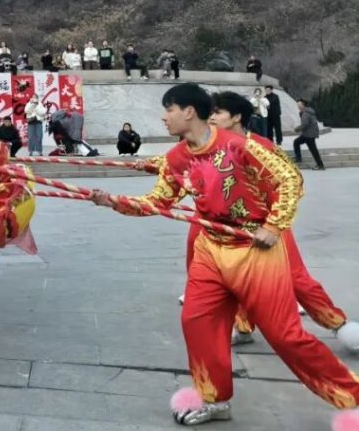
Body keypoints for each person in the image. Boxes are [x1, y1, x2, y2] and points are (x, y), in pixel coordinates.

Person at [89, 83, 359, 425]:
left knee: (285, 336)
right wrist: (113, 202)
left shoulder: (240, 146)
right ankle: (214, 399)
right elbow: (159, 201)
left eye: (169, 109)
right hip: (211, 248)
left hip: (255, 252)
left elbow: (290, 180)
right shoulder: (177, 158)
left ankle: (352, 395)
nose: (164, 117)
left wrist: (274, 225)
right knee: (197, 321)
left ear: (189, 112)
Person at [209, 91, 359, 353]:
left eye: (217, 112)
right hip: (233, 228)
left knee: (295, 278)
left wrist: (273, 225)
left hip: (270, 225)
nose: (211, 117)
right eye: (210, 112)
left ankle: (338, 324)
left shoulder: (260, 147)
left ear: (236, 117)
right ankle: (242, 325)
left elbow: (293, 183)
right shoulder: (213, 150)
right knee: (236, 278)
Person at [293, 99, 325, 170]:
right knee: (297, 142)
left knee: (313, 149)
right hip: (308, 133)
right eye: (297, 104)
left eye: (299, 104)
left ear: (303, 105)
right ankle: (298, 158)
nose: (298, 106)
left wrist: (296, 129)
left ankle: (320, 165)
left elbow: (305, 124)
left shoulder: (306, 113)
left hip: (309, 134)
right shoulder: (306, 112)